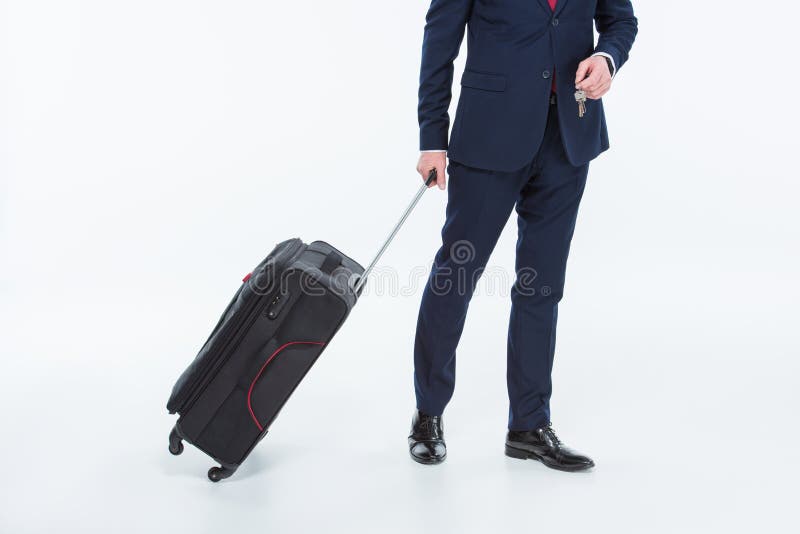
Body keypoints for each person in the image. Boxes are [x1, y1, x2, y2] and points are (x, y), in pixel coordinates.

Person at [409, 0, 638, 470]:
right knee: (457, 276)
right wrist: (432, 137)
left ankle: (529, 425)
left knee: (542, 285)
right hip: (488, 136)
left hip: (567, 138)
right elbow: (440, 40)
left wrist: (607, 57)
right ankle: (428, 413)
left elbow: (621, 20)